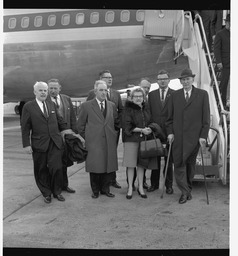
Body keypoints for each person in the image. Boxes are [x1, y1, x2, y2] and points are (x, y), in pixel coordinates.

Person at [21, 81, 71, 203]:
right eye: (40, 90)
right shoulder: (28, 106)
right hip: (39, 144)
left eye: (45, 90)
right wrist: (26, 144)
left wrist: (69, 132)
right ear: (35, 92)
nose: (43, 92)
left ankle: (57, 191)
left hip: (55, 142)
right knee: (41, 169)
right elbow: (25, 127)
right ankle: (46, 193)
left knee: (57, 168)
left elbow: (60, 121)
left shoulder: (51, 104)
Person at [166, 68, 210, 204]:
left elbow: (206, 118)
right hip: (178, 138)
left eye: (187, 79)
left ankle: (187, 189)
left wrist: (203, 135)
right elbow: (169, 118)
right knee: (179, 164)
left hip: (194, 138)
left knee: (190, 166)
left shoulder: (202, 94)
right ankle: (185, 193)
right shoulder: (174, 95)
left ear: (192, 79)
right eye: (183, 80)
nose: (185, 82)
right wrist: (170, 133)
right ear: (180, 81)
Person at [78, 80, 120, 199]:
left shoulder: (111, 105)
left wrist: (113, 135)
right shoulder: (86, 106)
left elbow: (115, 122)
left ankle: (105, 189)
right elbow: (80, 125)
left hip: (108, 141)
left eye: (105, 90)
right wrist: (87, 139)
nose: (103, 92)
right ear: (95, 91)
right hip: (93, 142)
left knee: (107, 166)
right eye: (101, 90)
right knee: (95, 167)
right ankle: (95, 190)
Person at [122, 87, 165, 199]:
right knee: (131, 165)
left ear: (143, 98)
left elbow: (150, 121)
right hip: (131, 140)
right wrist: (141, 130)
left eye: (140, 96)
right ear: (132, 98)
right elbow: (127, 127)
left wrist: (150, 128)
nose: (138, 98)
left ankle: (141, 187)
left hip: (143, 141)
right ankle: (130, 187)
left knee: (141, 165)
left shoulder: (146, 108)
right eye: (135, 96)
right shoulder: (128, 109)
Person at [87, 70, 123, 189]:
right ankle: (99, 184)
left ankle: (112, 180)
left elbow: (120, 111)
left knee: (111, 156)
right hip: (98, 134)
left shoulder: (116, 94)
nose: (110, 79)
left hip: (112, 132)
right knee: (99, 157)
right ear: (100, 79)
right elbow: (89, 112)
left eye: (111, 77)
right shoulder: (93, 93)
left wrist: (116, 129)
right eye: (107, 77)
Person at [47, 78, 80, 194]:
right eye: (50, 88)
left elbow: (72, 116)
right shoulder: (45, 101)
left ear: (60, 88)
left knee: (65, 162)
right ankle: (54, 187)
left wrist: (74, 132)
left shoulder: (66, 99)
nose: (53, 90)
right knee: (54, 164)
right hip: (53, 138)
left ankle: (64, 185)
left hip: (66, 138)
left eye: (55, 88)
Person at [147, 70, 174, 194]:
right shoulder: (151, 95)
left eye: (164, 78)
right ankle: (154, 184)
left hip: (169, 133)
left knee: (168, 162)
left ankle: (168, 186)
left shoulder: (175, 94)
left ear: (169, 80)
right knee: (155, 161)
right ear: (157, 81)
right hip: (155, 133)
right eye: (160, 79)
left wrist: (172, 132)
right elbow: (149, 114)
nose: (162, 81)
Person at [213, 14, 230, 107]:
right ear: (226, 22)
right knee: (224, 84)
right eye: (229, 22)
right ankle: (223, 103)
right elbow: (216, 49)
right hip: (225, 64)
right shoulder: (220, 33)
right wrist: (218, 61)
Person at [139, 78, 152, 189]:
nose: (146, 89)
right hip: (136, 135)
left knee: (143, 161)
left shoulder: (148, 99)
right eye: (144, 87)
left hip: (147, 135)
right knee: (133, 162)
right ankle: (132, 184)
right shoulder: (134, 99)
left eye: (148, 88)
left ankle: (142, 182)